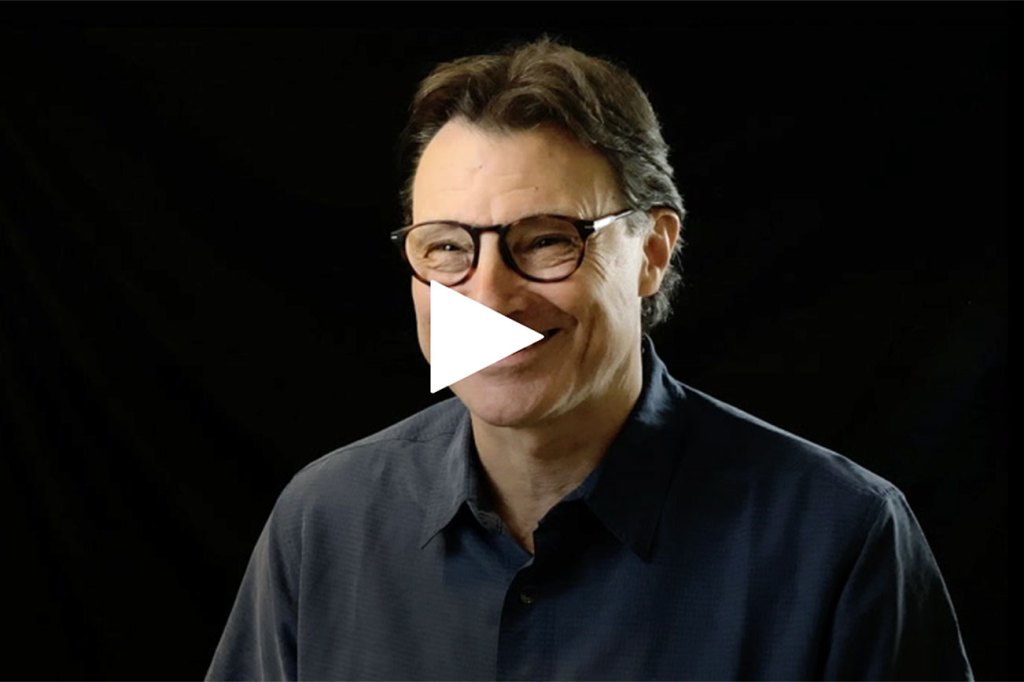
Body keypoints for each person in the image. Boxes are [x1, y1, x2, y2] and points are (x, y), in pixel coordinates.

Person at [207, 37, 972, 680]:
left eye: (546, 240)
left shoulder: (839, 538)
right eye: (447, 247)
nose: (489, 295)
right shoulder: (324, 522)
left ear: (653, 251)